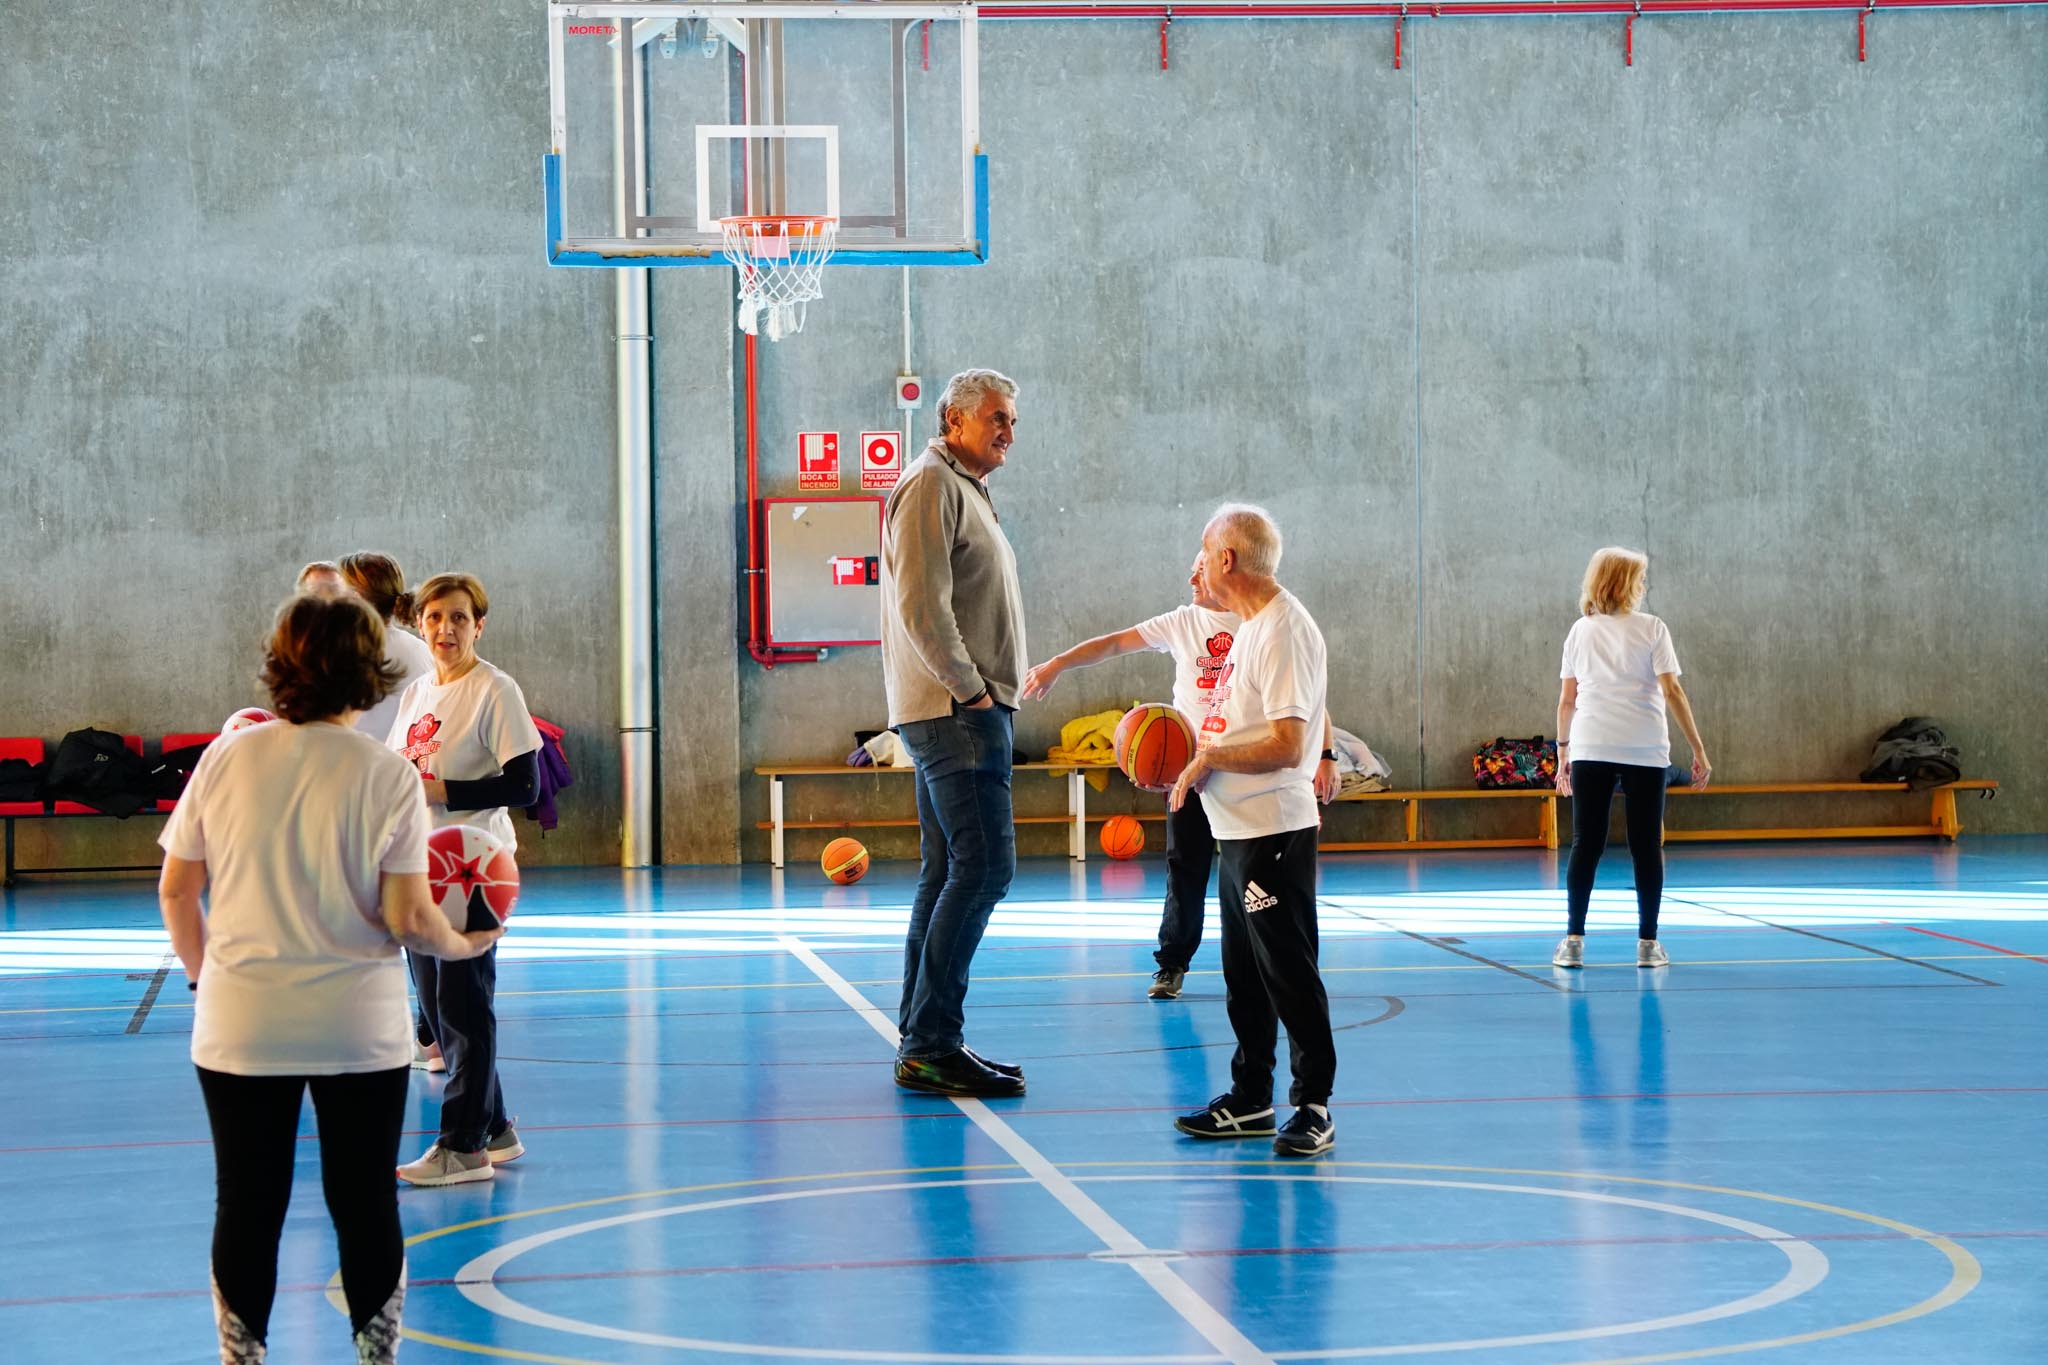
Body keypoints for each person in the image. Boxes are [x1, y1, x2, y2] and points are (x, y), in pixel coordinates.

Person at [157, 593, 502, 1365]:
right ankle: (376, 1358)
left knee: (247, 1204)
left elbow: (177, 889)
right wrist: (470, 937)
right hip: (357, 1029)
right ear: (370, 672)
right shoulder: (387, 774)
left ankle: (241, 1358)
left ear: (281, 665)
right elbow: (412, 918)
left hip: (241, 1023)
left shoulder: (226, 757)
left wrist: (206, 979)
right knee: (364, 1204)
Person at [1021, 552, 1338, 1001]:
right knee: (1184, 872)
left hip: (1248, 776)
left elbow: (1307, 696)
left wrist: (1325, 755)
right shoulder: (1181, 622)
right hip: (1191, 773)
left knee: (1251, 884)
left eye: (1199, 568)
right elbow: (1113, 644)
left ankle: (1274, 969)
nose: (1191, 577)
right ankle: (1172, 963)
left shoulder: (1262, 624)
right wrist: (1058, 663)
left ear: (1225, 569)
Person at [1167, 504, 1338, 1158]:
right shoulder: (1250, 626)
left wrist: (1210, 758)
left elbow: (1290, 743)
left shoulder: (1284, 630)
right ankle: (1251, 1097)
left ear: (1227, 559)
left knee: (1288, 972)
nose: (1201, 565)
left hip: (1273, 831)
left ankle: (1314, 1105)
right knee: (1244, 973)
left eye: (1206, 552)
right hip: (1235, 829)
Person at [881, 368, 1029, 1099]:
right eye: (996, 417)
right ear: (952, 418)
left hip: (962, 709)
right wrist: (972, 690)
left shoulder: (962, 486)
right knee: (983, 869)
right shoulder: (932, 485)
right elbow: (921, 607)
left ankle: (925, 1036)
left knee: (947, 872)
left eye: (1012, 420)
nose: (1007, 430)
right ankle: (931, 1041)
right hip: (956, 713)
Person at [387, 572, 543, 1184]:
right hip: (419, 867)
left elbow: (526, 784)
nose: (445, 629)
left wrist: (443, 790)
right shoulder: (418, 691)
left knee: (463, 1005)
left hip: (472, 869)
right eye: (433, 618)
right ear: (419, 624)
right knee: (437, 1005)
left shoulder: (495, 690)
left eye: (458, 618)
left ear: (479, 625)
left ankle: (462, 1147)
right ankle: (496, 1127)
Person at [1551, 547, 1711, 970]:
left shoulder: (1578, 632)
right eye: (1639, 579)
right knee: (1646, 845)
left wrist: (1562, 753)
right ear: (1624, 583)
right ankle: (1648, 944)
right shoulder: (1653, 628)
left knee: (1587, 843)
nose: (1643, 586)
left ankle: (1572, 942)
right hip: (1644, 748)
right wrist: (1697, 748)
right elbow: (1672, 691)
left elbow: (1567, 701)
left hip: (1591, 746)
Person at [339, 551, 442, 1068]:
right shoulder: (416, 647)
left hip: (373, 801)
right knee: (411, 920)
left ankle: (420, 1032)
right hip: (405, 796)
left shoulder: (361, 651)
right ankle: (432, 1033)